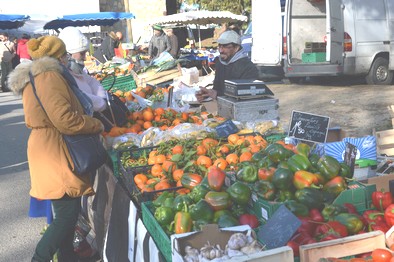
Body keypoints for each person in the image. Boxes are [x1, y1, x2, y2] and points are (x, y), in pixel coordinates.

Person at [7, 35, 104, 262]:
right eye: (65, 55)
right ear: (58, 56)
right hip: (54, 148)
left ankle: (68, 257)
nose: (67, 59)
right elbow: (64, 119)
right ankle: (39, 258)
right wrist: (95, 124)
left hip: (51, 145)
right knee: (66, 215)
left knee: (66, 212)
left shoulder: (39, 74)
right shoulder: (49, 76)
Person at [196, 30, 259, 102]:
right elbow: (216, 89)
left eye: (225, 46)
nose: (221, 50)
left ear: (236, 48)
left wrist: (216, 94)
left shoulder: (248, 68)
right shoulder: (220, 63)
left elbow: (245, 96)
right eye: (219, 46)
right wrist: (206, 95)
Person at [58, 26, 107, 113]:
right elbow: (78, 95)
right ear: (68, 55)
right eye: (82, 53)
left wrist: (102, 97)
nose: (85, 58)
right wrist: (101, 102)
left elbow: (91, 81)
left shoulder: (76, 71)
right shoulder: (61, 75)